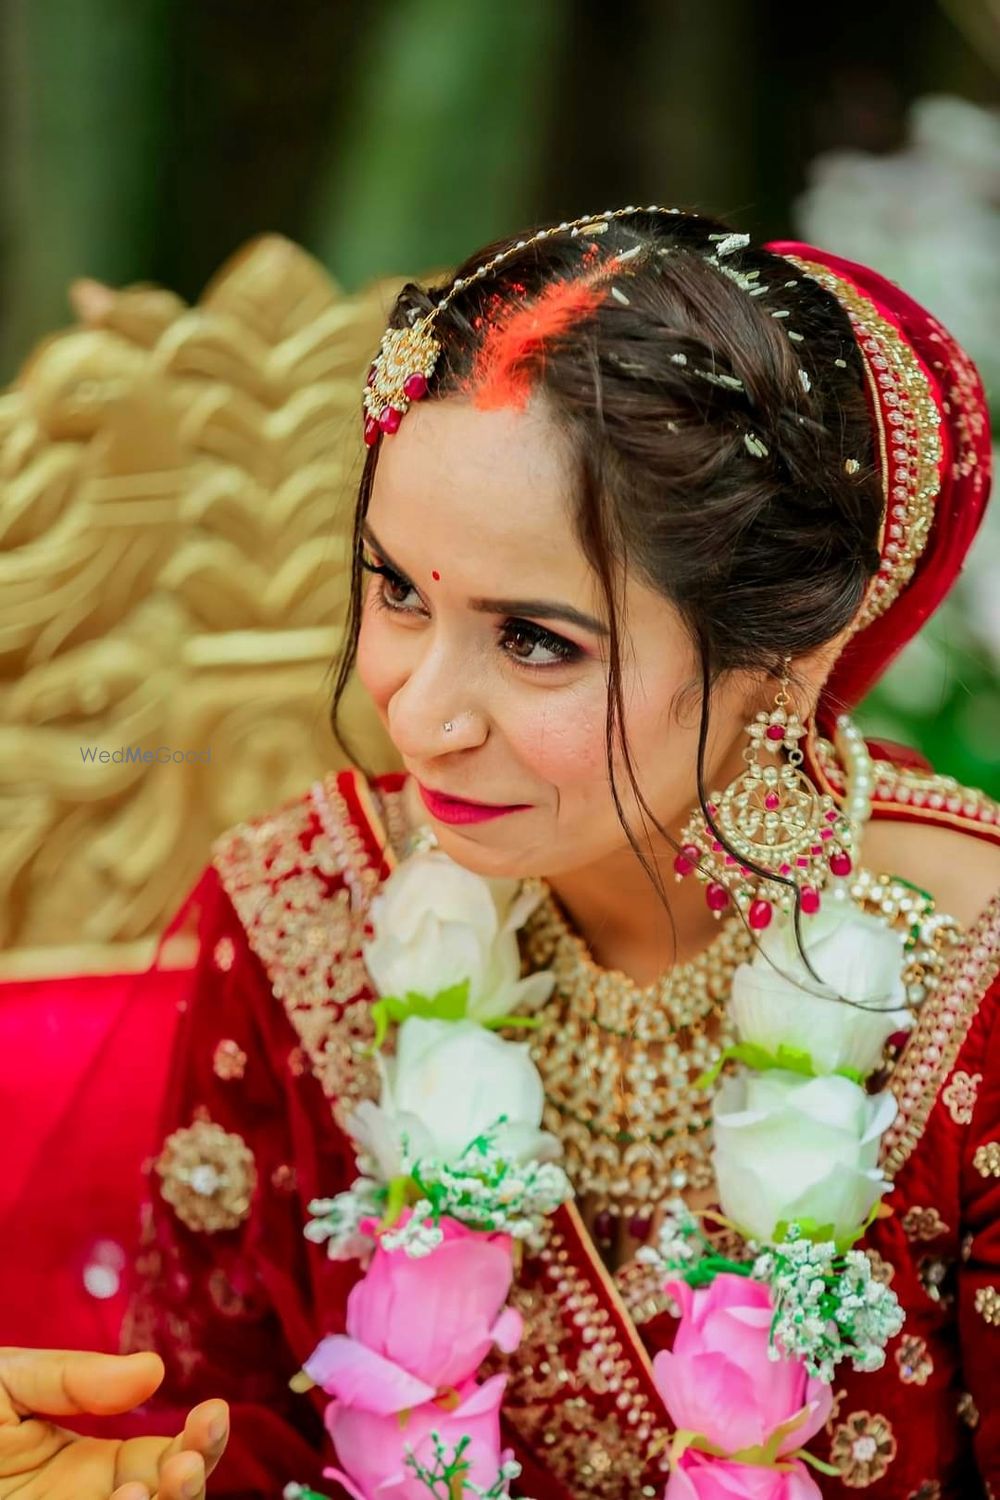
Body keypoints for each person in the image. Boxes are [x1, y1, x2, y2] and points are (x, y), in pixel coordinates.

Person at [3, 206, 998, 1499]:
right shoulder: (313, 906)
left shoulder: (968, 992)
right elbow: (230, 1437)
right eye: (397, 590)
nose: (421, 717)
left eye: (534, 639)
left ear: (786, 654)